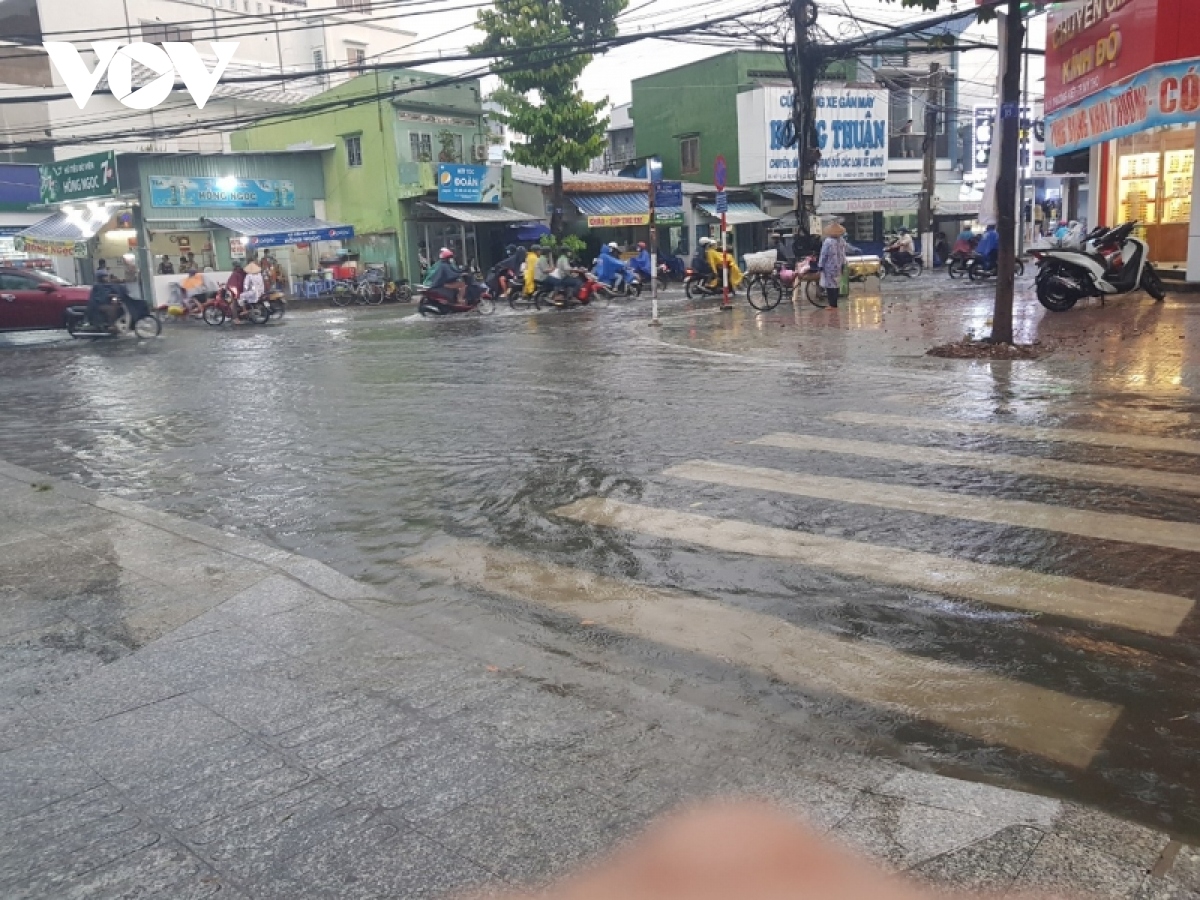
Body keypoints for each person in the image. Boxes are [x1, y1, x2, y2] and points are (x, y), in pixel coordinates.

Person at [818, 221, 848, 308]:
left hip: (829, 266)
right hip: (839, 265)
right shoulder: (842, 241)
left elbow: (823, 254)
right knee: (836, 284)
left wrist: (820, 265)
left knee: (830, 285)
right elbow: (843, 253)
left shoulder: (828, 241)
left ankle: (832, 304)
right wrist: (843, 264)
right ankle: (835, 303)